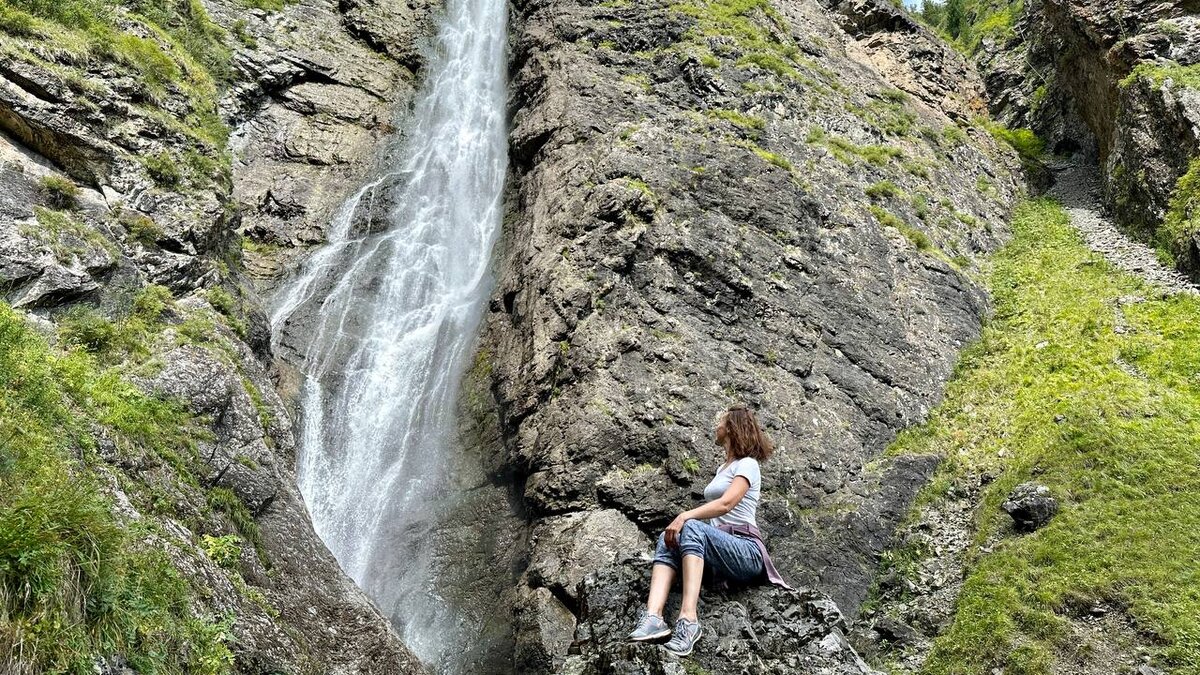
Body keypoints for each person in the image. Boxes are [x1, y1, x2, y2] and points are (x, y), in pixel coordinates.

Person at [626, 403, 791, 657]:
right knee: (667, 538)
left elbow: (726, 504)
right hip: (721, 549)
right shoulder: (722, 469)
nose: (716, 426)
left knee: (690, 526)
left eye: (721, 422)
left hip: (746, 550)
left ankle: (689, 620)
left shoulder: (748, 464)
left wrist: (685, 515)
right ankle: (653, 618)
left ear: (731, 428)